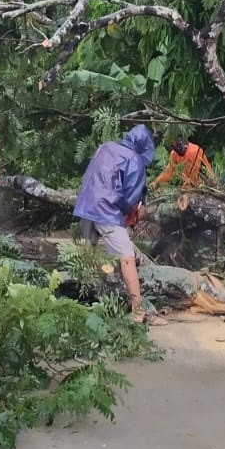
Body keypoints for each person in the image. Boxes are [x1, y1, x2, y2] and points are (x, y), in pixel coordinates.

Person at [73, 124, 165, 325]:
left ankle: (82, 301)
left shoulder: (105, 147)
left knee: (91, 254)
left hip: (86, 205)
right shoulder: (135, 160)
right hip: (106, 210)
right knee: (127, 258)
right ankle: (138, 311)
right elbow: (130, 199)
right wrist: (131, 213)